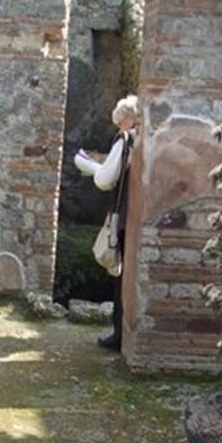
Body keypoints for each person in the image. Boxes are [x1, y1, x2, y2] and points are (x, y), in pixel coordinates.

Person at [74, 95, 140, 350]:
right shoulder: (144, 139)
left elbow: (104, 180)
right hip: (138, 215)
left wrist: (89, 166)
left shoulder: (125, 140)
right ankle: (123, 333)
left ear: (129, 119)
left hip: (124, 216)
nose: (119, 127)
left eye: (121, 122)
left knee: (121, 277)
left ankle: (118, 334)